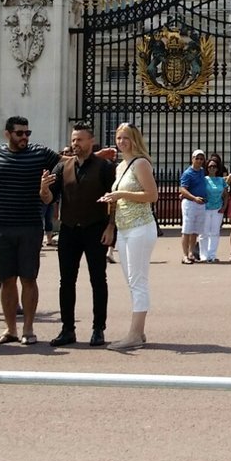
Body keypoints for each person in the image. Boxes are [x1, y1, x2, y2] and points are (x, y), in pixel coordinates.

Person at [0, 115, 61, 346]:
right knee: (6, 280)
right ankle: (10, 329)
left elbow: (66, 163)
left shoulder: (40, 153)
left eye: (27, 133)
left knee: (29, 278)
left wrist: (95, 157)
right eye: (19, 133)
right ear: (7, 134)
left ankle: (28, 329)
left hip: (30, 225)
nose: (24, 137)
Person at [46, 124, 116, 347]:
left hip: (96, 228)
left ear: (91, 141)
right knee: (66, 281)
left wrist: (111, 227)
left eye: (80, 140)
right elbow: (49, 199)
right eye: (74, 140)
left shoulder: (105, 166)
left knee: (98, 280)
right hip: (69, 230)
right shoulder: (62, 166)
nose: (76, 144)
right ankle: (68, 329)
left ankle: (98, 329)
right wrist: (42, 189)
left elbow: (113, 198)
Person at [102, 123, 158, 351]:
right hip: (124, 228)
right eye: (119, 137)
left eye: (126, 137)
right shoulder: (120, 166)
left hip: (140, 228)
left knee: (138, 281)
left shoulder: (141, 163)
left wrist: (121, 193)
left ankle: (135, 334)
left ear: (135, 140)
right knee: (131, 281)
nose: (122, 141)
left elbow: (152, 195)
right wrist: (111, 225)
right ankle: (139, 330)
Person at [178, 151, 210, 265]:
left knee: (195, 230)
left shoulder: (202, 171)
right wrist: (193, 198)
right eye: (197, 158)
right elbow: (182, 189)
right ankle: (185, 255)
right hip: (190, 203)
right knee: (187, 230)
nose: (200, 161)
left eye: (202, 159)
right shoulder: (188, 173)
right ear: (192, 159)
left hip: (200, 203)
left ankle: (191, 252)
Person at [200, 154, 228, 262]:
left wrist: (224, 207)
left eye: (214, 166)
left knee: (215, 232)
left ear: (217, 168)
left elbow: (226, 194)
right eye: (210, 166)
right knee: (204, 232)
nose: (212, 168)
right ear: (207, 168)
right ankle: (204, 255)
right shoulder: (204, 180)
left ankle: (212, 254)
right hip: (206, 208)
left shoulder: (221, 180)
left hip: (218, 208)